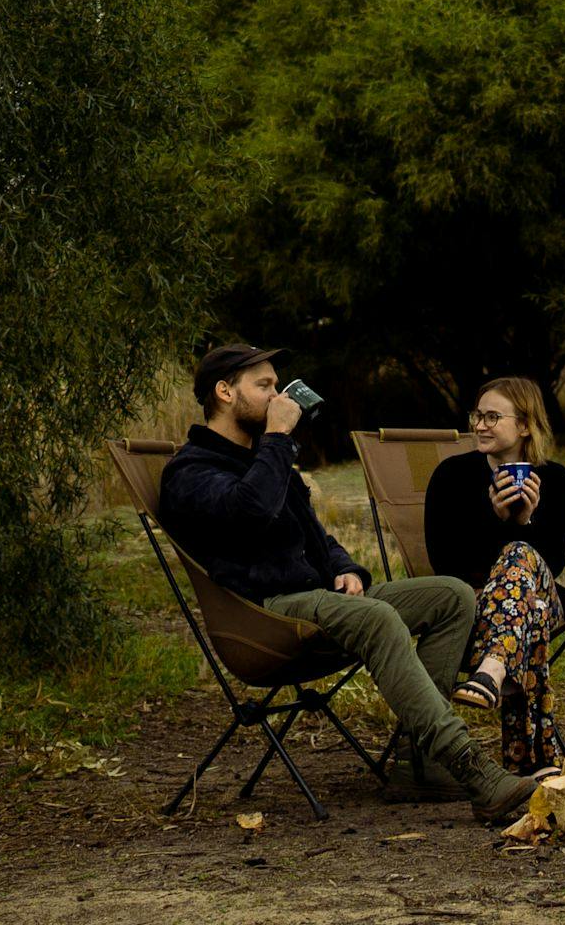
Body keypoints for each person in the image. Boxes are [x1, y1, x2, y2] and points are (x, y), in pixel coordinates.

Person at [157, 344, 535, 820]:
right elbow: (250, 511)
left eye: (277, 385)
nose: (280, 395)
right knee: (377, 617)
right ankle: (472, 769)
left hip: (321, 597)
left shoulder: (265, 456)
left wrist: (347, 568)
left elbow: (316, 534)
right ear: (224, 392)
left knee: (452, 596)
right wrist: (277, 438)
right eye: (265, 386)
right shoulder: (192, 470)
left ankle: (420, 767)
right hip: (267, 611)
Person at [422, 377, 565, 770]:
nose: (479, 425)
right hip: (474, 603)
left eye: (493, 417)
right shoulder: (451, 476)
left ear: (524, 425)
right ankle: (533, 762)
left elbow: (553, 564)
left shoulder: (555, 479)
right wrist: (494, 519)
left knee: (521, 551)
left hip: (536, 589)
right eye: (478, 415)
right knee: (533, 614)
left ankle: (490, 672)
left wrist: (523, 522)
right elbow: (444, 563)